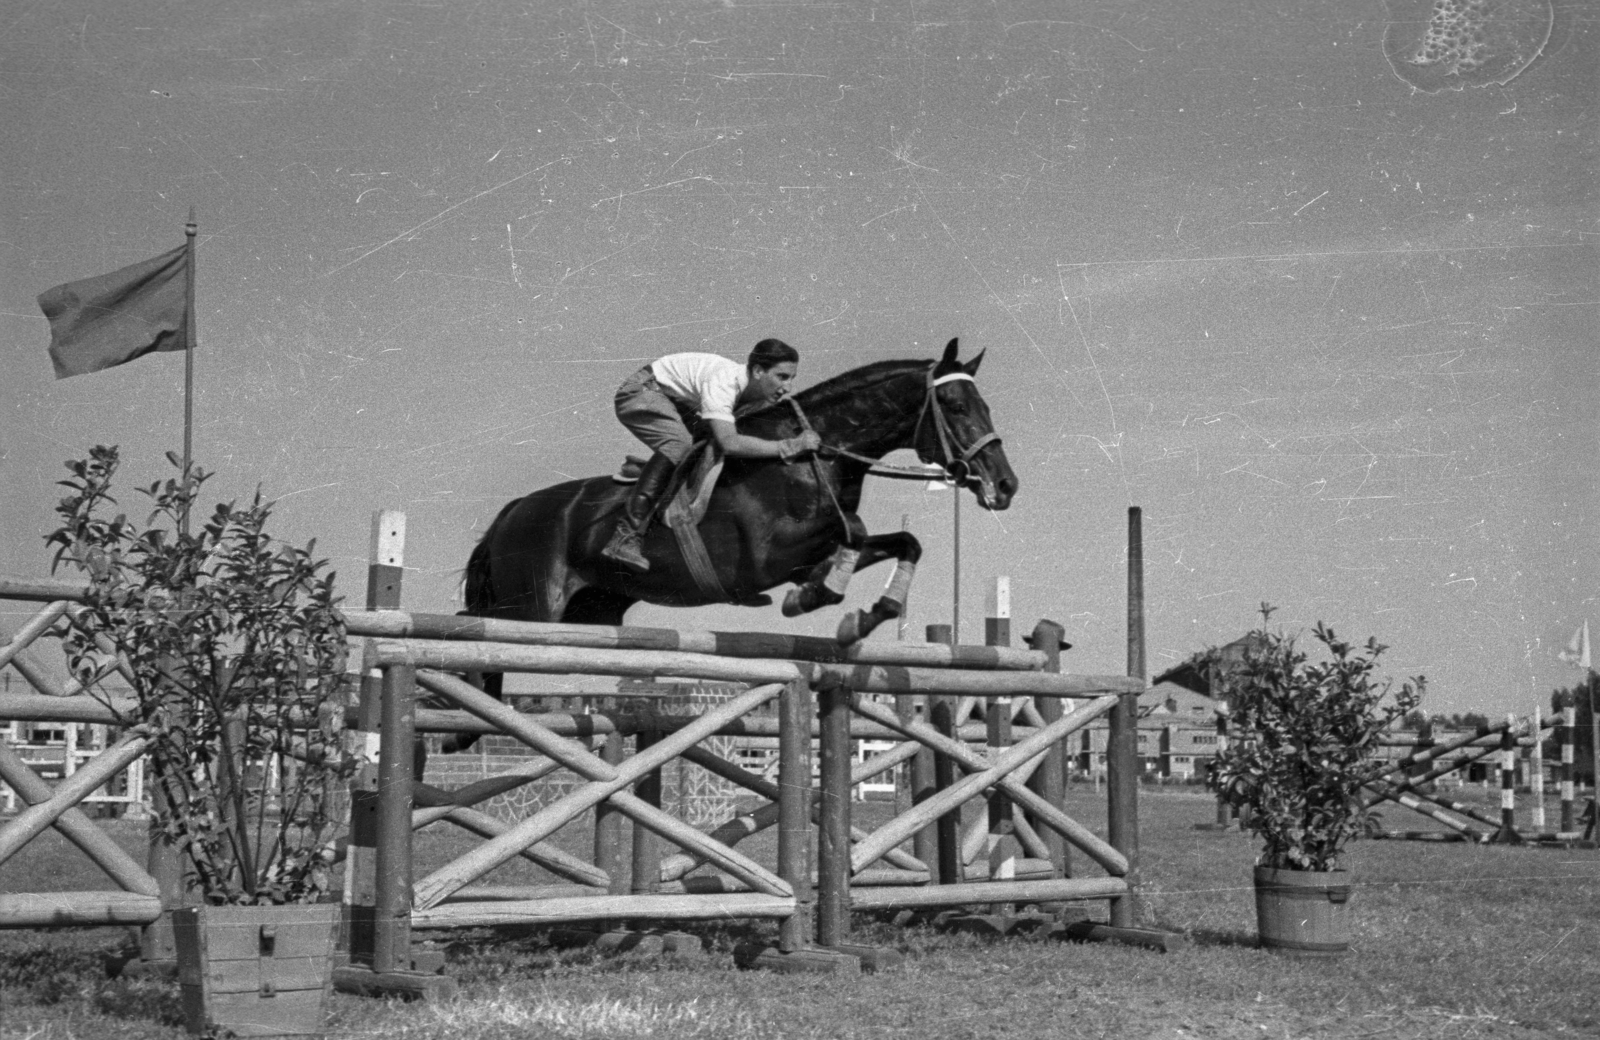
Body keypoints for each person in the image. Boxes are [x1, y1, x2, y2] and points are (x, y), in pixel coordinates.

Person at [603, 338, 822, 572]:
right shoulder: (725, 382)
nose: (788, 387)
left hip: (673, 399)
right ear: (758, 371)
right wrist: (790, 446)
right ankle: (625, 535)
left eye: (792, 378)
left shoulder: (752, 394)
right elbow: (730, 443)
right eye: (782, 377)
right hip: (641, 391)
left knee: (708, 443)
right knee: (679, 444)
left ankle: (649, 471)